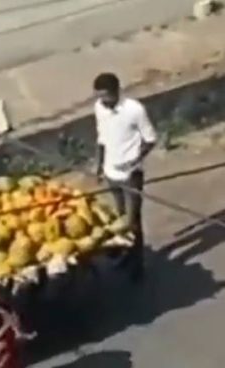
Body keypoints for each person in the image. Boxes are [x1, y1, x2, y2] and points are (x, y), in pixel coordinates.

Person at [93, 72, 157, 280]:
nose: (103, 101)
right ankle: (125, 256)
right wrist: (99, 165)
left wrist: (135, 161)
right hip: (111, 172)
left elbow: (150, 139)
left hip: (131, 174)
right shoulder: (99, 108)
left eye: (106, 96)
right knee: (119, 219)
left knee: (132, 220)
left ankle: (137, 265)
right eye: (100, 96)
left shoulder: (134, 110)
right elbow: (101, 138)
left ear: (116, 91)